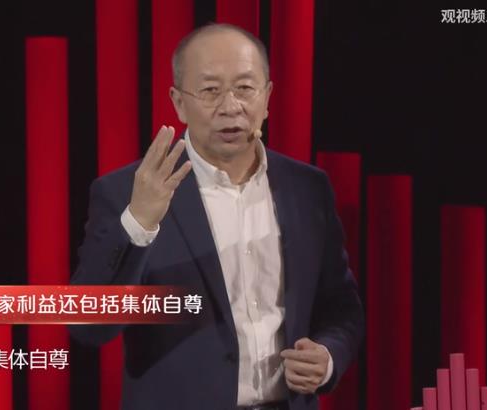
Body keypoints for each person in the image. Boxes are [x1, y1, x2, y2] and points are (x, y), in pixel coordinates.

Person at [69, 23, 364, 410]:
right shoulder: (127, 192)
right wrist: (139, 222)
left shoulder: (307, 189)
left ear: (267, 97)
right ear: (178, 102)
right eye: (210, 90)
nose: (230, 106)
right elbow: (89, 327)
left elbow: (341, 306)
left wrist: (327, 357)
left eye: (245, 88)